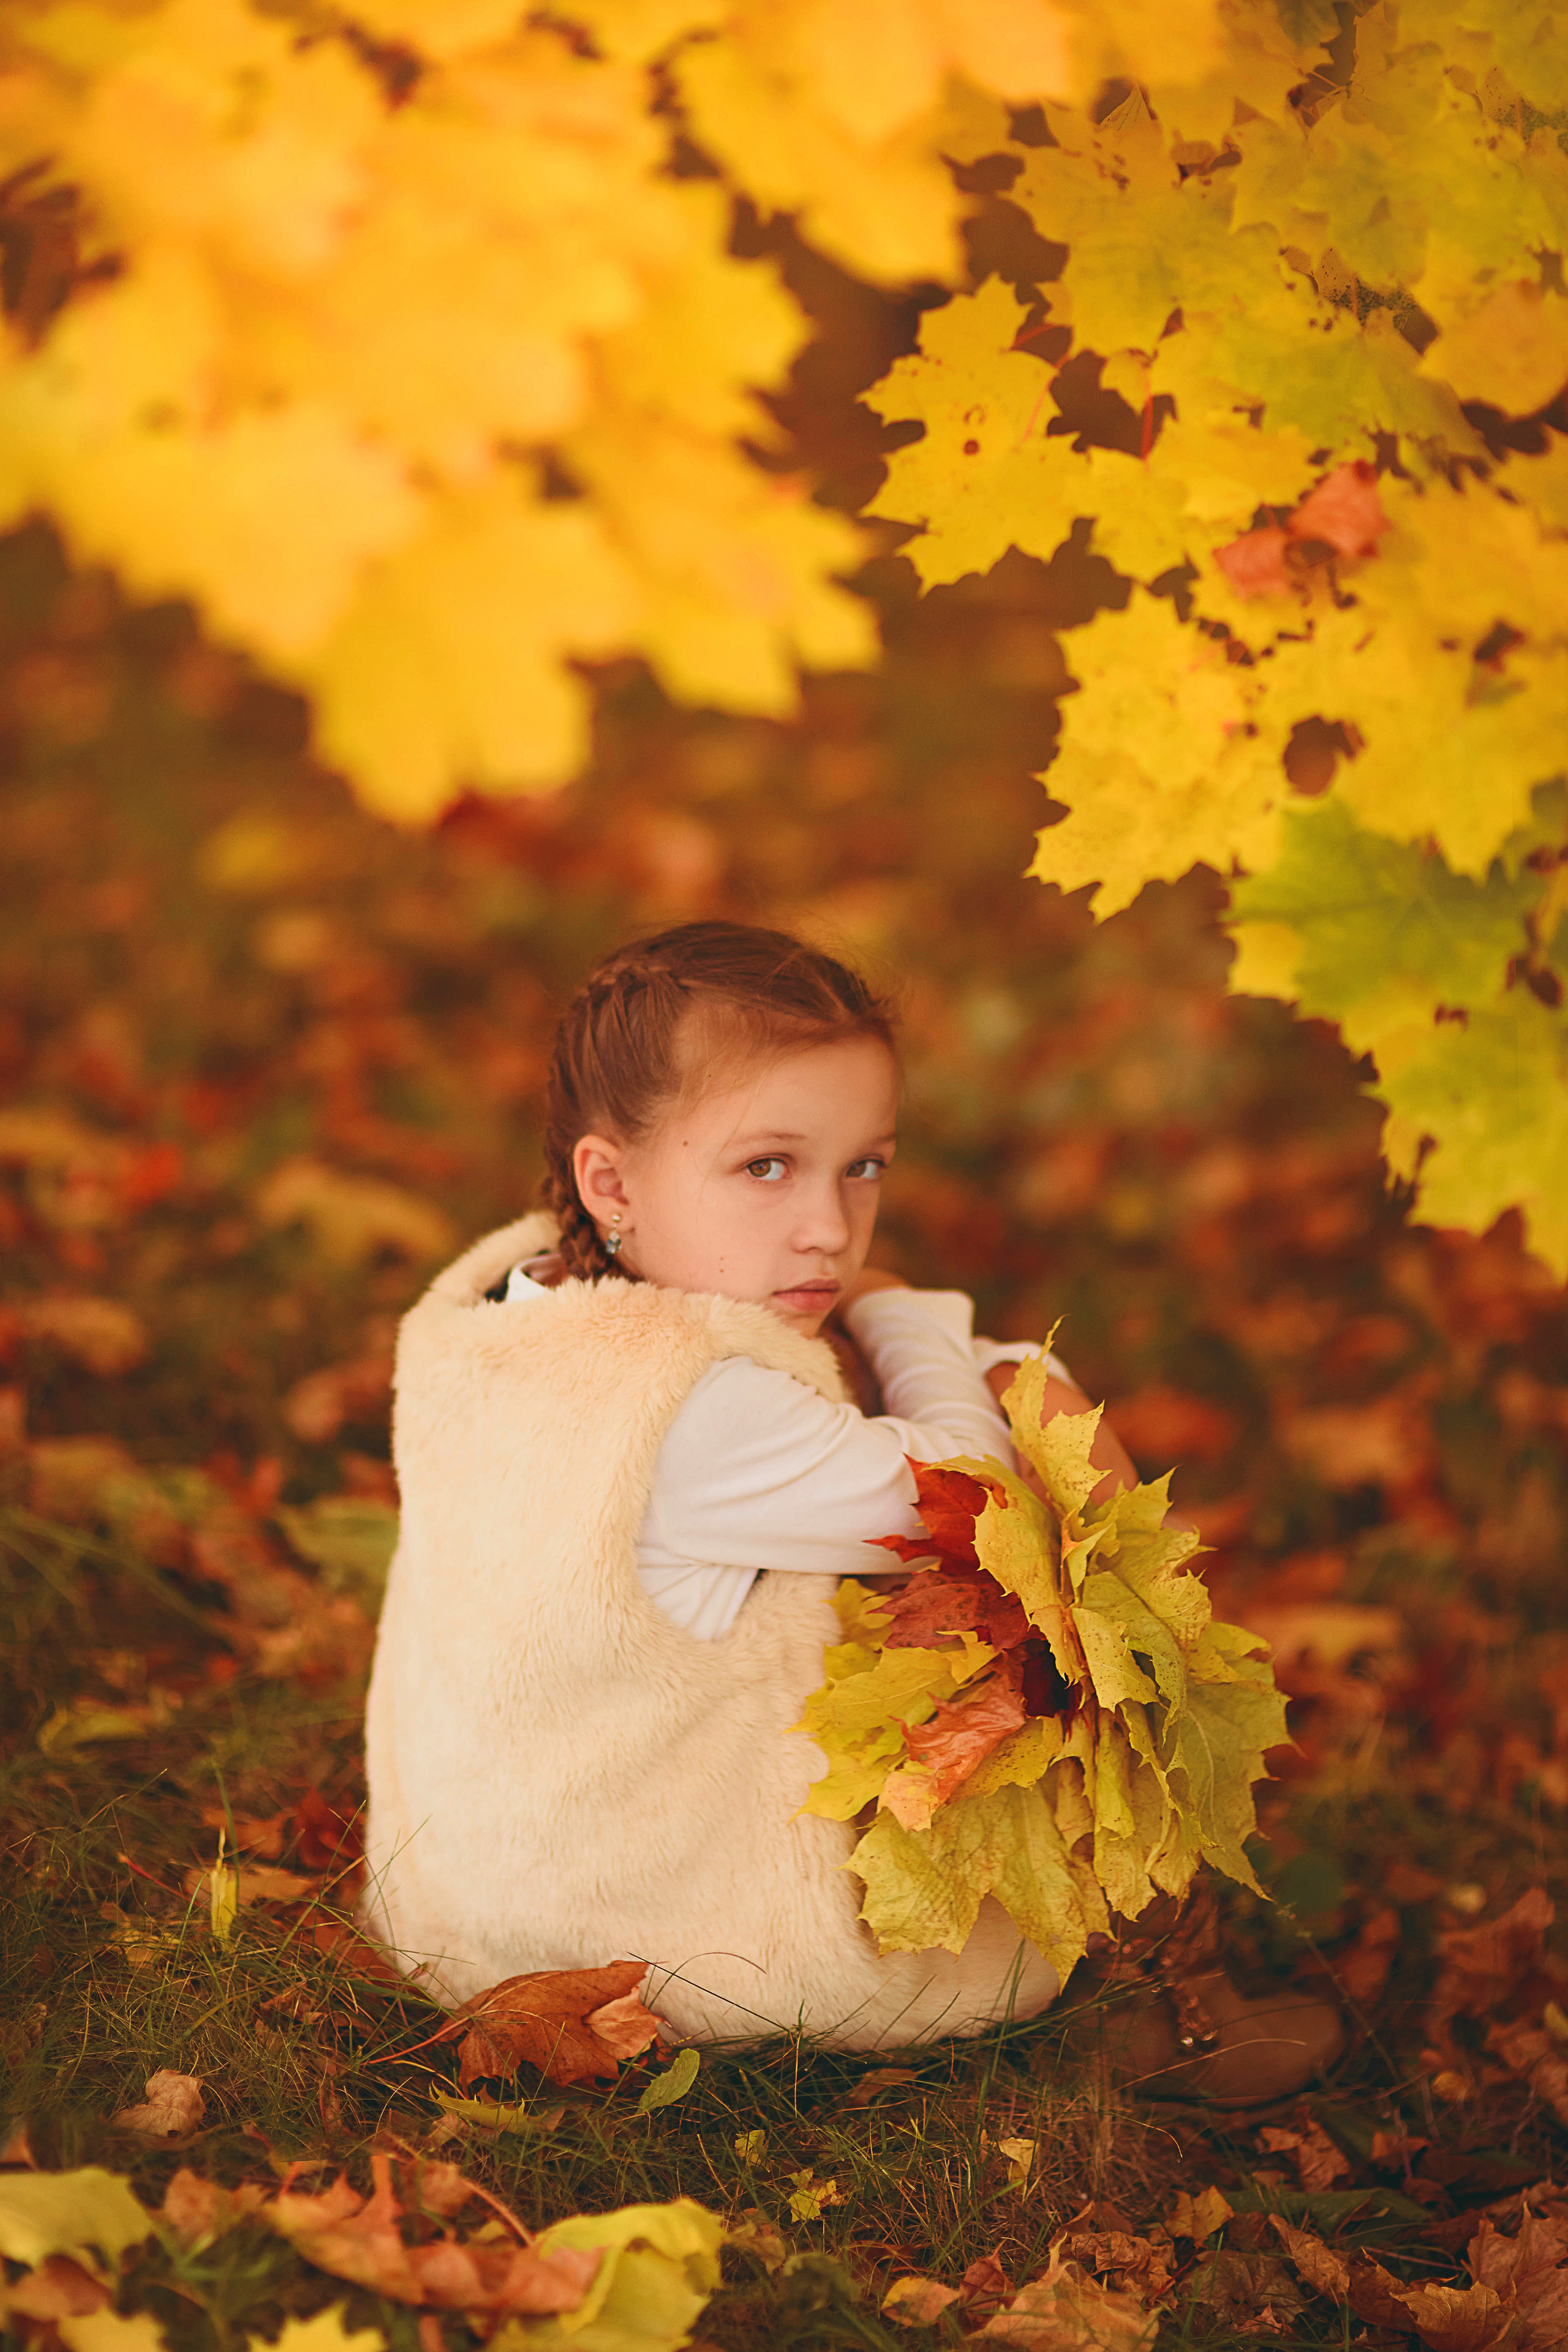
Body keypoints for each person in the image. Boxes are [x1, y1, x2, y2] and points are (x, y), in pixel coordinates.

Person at [362, 921, 1340, 2087]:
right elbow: (969, 1500)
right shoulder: (699, 1410)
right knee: (1061, 1550)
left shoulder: (526, 1312)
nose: (829, 1225)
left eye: (861, 1165)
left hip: (481, 1878)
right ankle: (1163, 2006)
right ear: (611, 1182)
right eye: (766, 1166)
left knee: (973, 1465)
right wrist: (923, 1325)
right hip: (673, 1936)